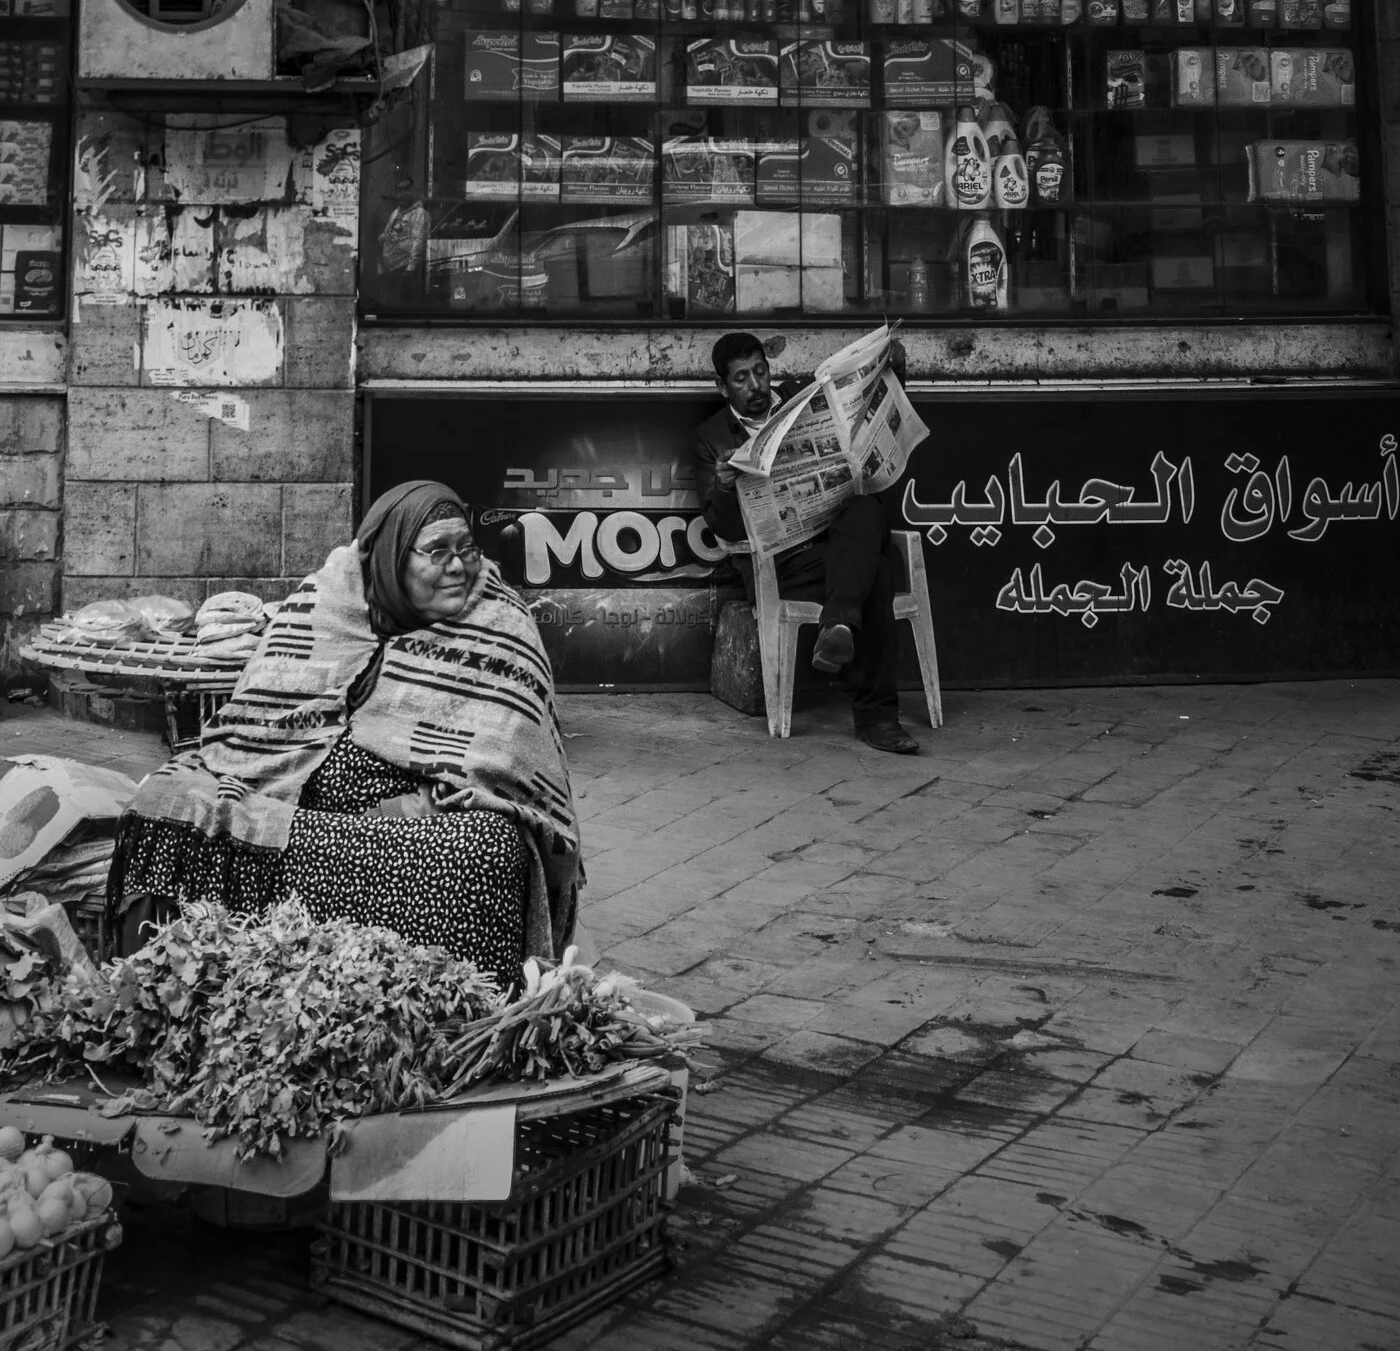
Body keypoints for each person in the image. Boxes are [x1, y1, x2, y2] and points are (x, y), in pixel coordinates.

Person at [104, 481, 582, 987]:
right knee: (166, 800)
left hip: (411, 831)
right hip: (293, 811)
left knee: (488, 848)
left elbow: (507, 760)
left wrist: (418, 803)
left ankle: (444, 989)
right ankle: (229, 968)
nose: (459, 566)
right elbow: (254, 722)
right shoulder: (326, 604)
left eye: (466, 548)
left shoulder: (501, 625)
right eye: (437, 551)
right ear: (390, 557)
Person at [691, 329, 922, 754]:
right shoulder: (712, 438)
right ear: (721, 386)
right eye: (741, 379)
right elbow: (722, 527)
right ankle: (877, 719)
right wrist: (726, 487)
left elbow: (866, 418)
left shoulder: (800, 398)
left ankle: (837, 623)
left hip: (836, 543)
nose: (756, 385)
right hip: (779, 564)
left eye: (760, 371)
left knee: (867, 512)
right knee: (878, 568)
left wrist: (895, 372)